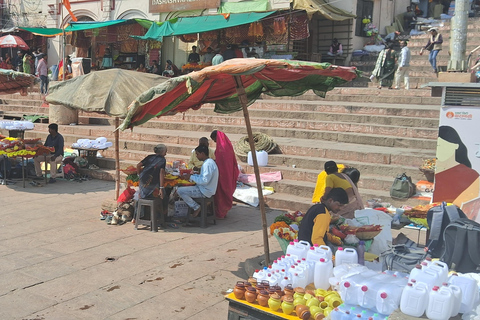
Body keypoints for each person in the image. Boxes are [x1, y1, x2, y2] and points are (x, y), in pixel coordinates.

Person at [433, 126, 479, 208]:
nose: (441, 150)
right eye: (438, 146)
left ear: (456, 146)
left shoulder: (471, 175)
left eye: (445, 146)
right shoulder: (433, 171)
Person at [178, 145, 219, 218]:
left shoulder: (208, 164)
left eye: (197, 154)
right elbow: (204, 177)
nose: (196, 156)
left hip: (204, 191)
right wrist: (195, 175)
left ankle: (196, 207)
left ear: (202, 154)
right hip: (205, 188)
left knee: (180, 191)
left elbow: (204, 180)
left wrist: (191, 177)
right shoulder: (209, 162)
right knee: (183, 188)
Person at [210, 130, 239, 219]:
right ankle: (223, 211)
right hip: (228, 173)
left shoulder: (221, 149)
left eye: (215, 140)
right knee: (225, 193)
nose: (215, 142)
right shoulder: (227, 146)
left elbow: (220, 163)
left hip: (223, 175)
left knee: (221, 193)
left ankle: (220, 212)